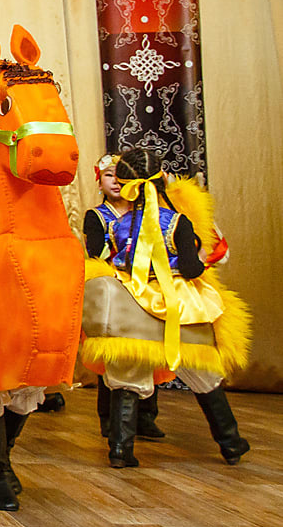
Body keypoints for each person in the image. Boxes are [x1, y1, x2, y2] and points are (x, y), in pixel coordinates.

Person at [92, 149, 250, 468]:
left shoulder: (118, 225)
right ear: (161, 179)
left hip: (132, 302)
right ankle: (230, 442)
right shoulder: (178, 222)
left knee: (127, 373)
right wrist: (199, 258)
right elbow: (190, 269)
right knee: (202, 371)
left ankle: (120, 449)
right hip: (178, 303)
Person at [83, 153, 163, 440]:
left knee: (148, 350)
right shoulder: (97, 216)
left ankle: (146, 416)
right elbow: (95, 253)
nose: (115, 182)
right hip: (114, 290)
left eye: (120, 176)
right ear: (99, 182)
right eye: (108, 176)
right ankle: (109, 418)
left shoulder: (148, 211)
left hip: (146, 289)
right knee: (113, 355)